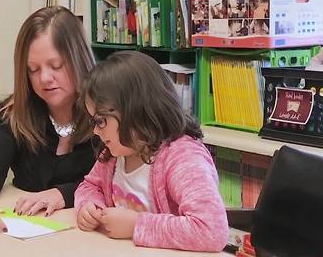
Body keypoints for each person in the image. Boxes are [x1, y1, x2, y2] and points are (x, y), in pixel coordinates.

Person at [0, 6, 96, 236]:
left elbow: (119, 185)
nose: (45, 79)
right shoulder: (13, 113)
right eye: (32, 70)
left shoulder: (107, 113)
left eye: (56, 66)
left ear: (79, 59)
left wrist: (62, 195)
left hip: (92, 238)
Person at [75, 51, 229, 252]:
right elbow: (89, 186)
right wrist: (90, 206)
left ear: (136, 112)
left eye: (101, 121)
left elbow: (212, 231)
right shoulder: (114, 154)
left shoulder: (182, 157)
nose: (95, 130)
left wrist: (135, 225)